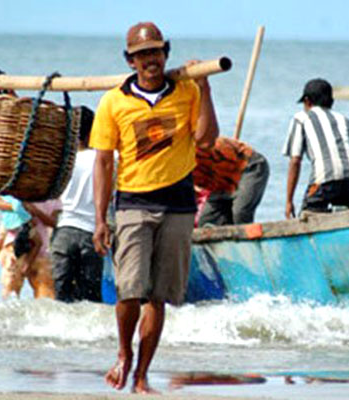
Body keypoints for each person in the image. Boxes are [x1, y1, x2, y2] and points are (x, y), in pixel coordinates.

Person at [90, 22, 219, 394]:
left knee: (158, 296)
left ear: (166, 53)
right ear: (130, 60)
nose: (151, 60)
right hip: (133, 203)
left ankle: (142, 375)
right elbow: (103, 162)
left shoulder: (186, 90)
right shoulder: (114, 101)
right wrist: (101, 219)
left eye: (156, 52)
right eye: (142, 54)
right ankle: (123, 352)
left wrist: (205, 88)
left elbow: (207, 140)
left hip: (178, 205)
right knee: (130, 291)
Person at [282, 78, 349, 219]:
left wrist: (288, 201)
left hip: (324, 183)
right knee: (345, 220)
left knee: (308, 218)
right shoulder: (346, 122)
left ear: (307, 101)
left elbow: (295, 161)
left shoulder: (301, 118)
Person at [50, 106, 105, 303]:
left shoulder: (61, 160)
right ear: (93, 130)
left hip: (63, 232)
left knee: (61, 297)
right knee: (91, 298)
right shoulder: (104, 159)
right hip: (91, 233)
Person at [0, 195, 59, 299]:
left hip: (42, 251)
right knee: (10, 293)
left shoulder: (53, 198)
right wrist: (16, 207)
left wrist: (35, 212)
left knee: (46, 295)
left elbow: (54, 223)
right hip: (14, 248)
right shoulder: (18, 190)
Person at [194, 137, 269, 226]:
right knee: (207, 220)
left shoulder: (190, 150)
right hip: (221, 181)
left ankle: (244, 239)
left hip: (248, 167)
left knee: (240, 213)